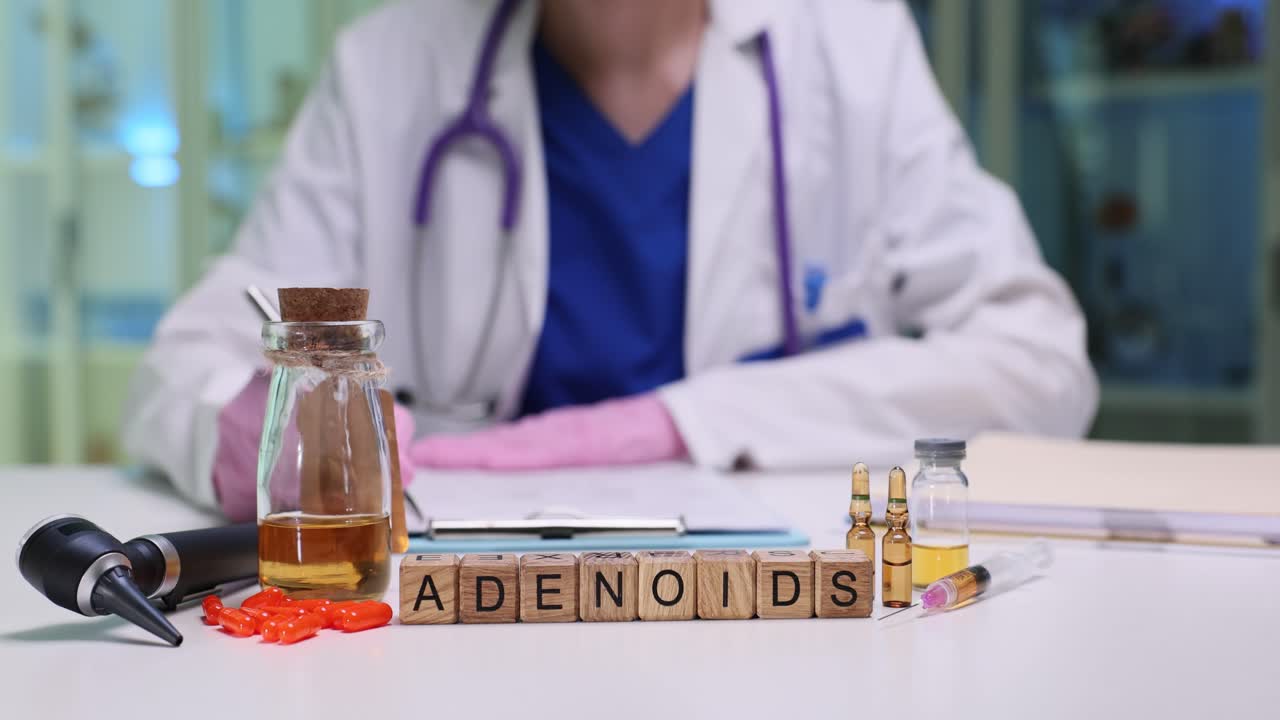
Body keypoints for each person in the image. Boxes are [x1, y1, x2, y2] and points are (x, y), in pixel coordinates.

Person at [122, 0, 1098, 520]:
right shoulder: (390, 68)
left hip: (786, 619)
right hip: (466, 622)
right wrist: (254, 436)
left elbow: (1038, 362)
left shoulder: (849, 48)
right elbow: (182, 363)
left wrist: (674, 422)